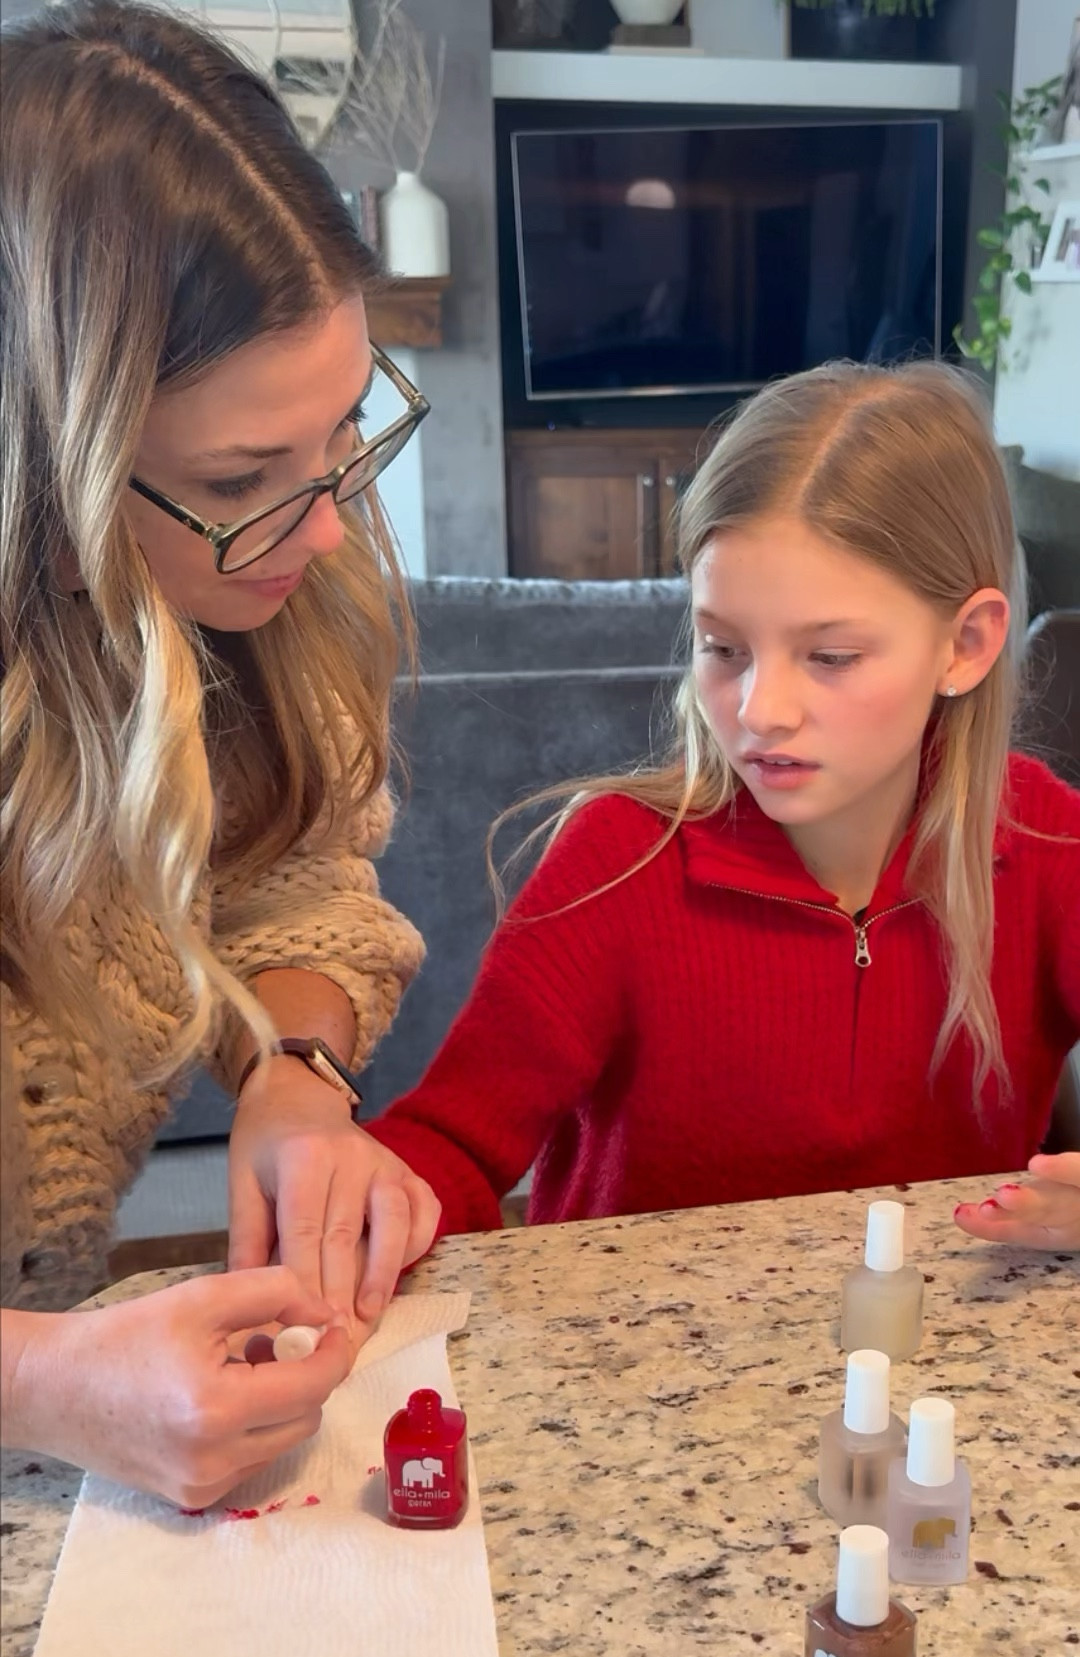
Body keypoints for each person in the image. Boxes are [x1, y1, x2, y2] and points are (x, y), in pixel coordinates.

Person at [0, 0, 439, 1509]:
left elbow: (298, 875)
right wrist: (44, 1378)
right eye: (245, 478)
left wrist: (297, 1074)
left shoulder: (243, 604)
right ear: (36, 465)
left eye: (342, 441)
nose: (323, 531)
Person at [365, 361, 1080, 1254]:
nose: (759, 709)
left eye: (831, 657)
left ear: (966, 645)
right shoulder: (616, 860)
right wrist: (368, 1211)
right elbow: (450, 1145)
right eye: (723, 647)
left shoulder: (1047, 841)